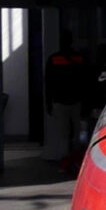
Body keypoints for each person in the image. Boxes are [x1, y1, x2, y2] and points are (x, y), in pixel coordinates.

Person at [43, 30, 90, 171]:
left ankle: (66, 161)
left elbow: (48, 83)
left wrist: (48, 103)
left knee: (63, 134)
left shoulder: (53, 59)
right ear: (71, 42)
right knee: (79, 134)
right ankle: (77, 159)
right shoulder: (80, 58)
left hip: (59, 102)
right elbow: (86, 82)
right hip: (76, 102)